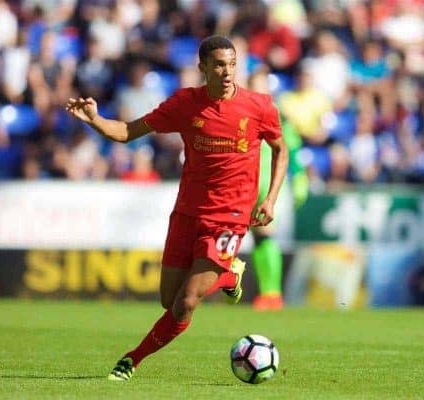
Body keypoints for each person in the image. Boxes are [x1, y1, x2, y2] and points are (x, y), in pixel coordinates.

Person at [65, 35, 288, 382]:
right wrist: (96, 120)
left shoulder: (259, 106)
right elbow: (126, 131)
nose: (227, 72)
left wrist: (270, 197)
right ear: (202, 67)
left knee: (186, 301)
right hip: (187, 212)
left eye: (231, 64)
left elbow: (280, 148)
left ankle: (131, 359)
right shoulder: (185, 103)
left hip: (230, 217)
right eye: (218, 65)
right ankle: (231, 274)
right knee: (168, 300)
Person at [247, 66, 308, 311]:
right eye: (255, 85)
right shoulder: (241, 116)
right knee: (258, 240)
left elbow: (291, 152)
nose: (260, 90)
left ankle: (273, 294)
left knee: (266, 236)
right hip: (245, 186)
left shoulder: (278, 117)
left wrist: (300, 179)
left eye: (263, 85)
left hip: (270, 186)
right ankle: (267, 292)